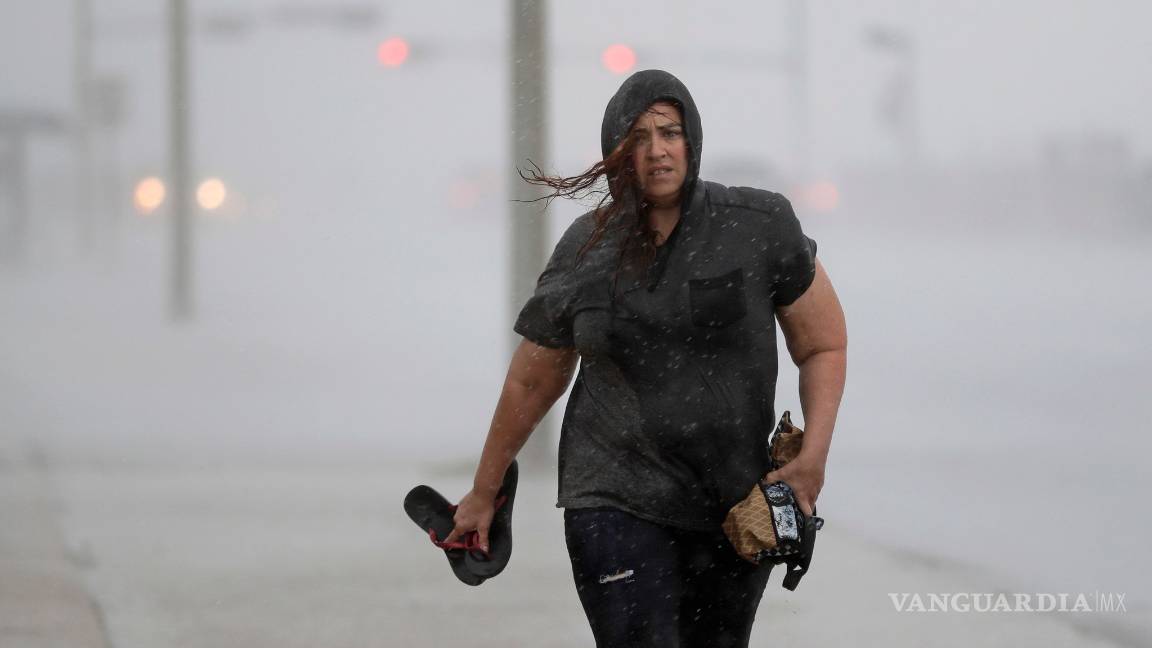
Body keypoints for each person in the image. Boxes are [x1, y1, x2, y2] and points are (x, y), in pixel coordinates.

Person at [445, 69, 847, 647]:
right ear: (617, 153)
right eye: (638, 137)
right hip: (613, 496)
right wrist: (484, 493)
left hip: (731, 506)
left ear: (693, 141)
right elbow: (531, 383)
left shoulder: (757, 226)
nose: (657, 150)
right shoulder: (588, 248)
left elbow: (823, 344)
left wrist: (813, 458)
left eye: (670, 132)